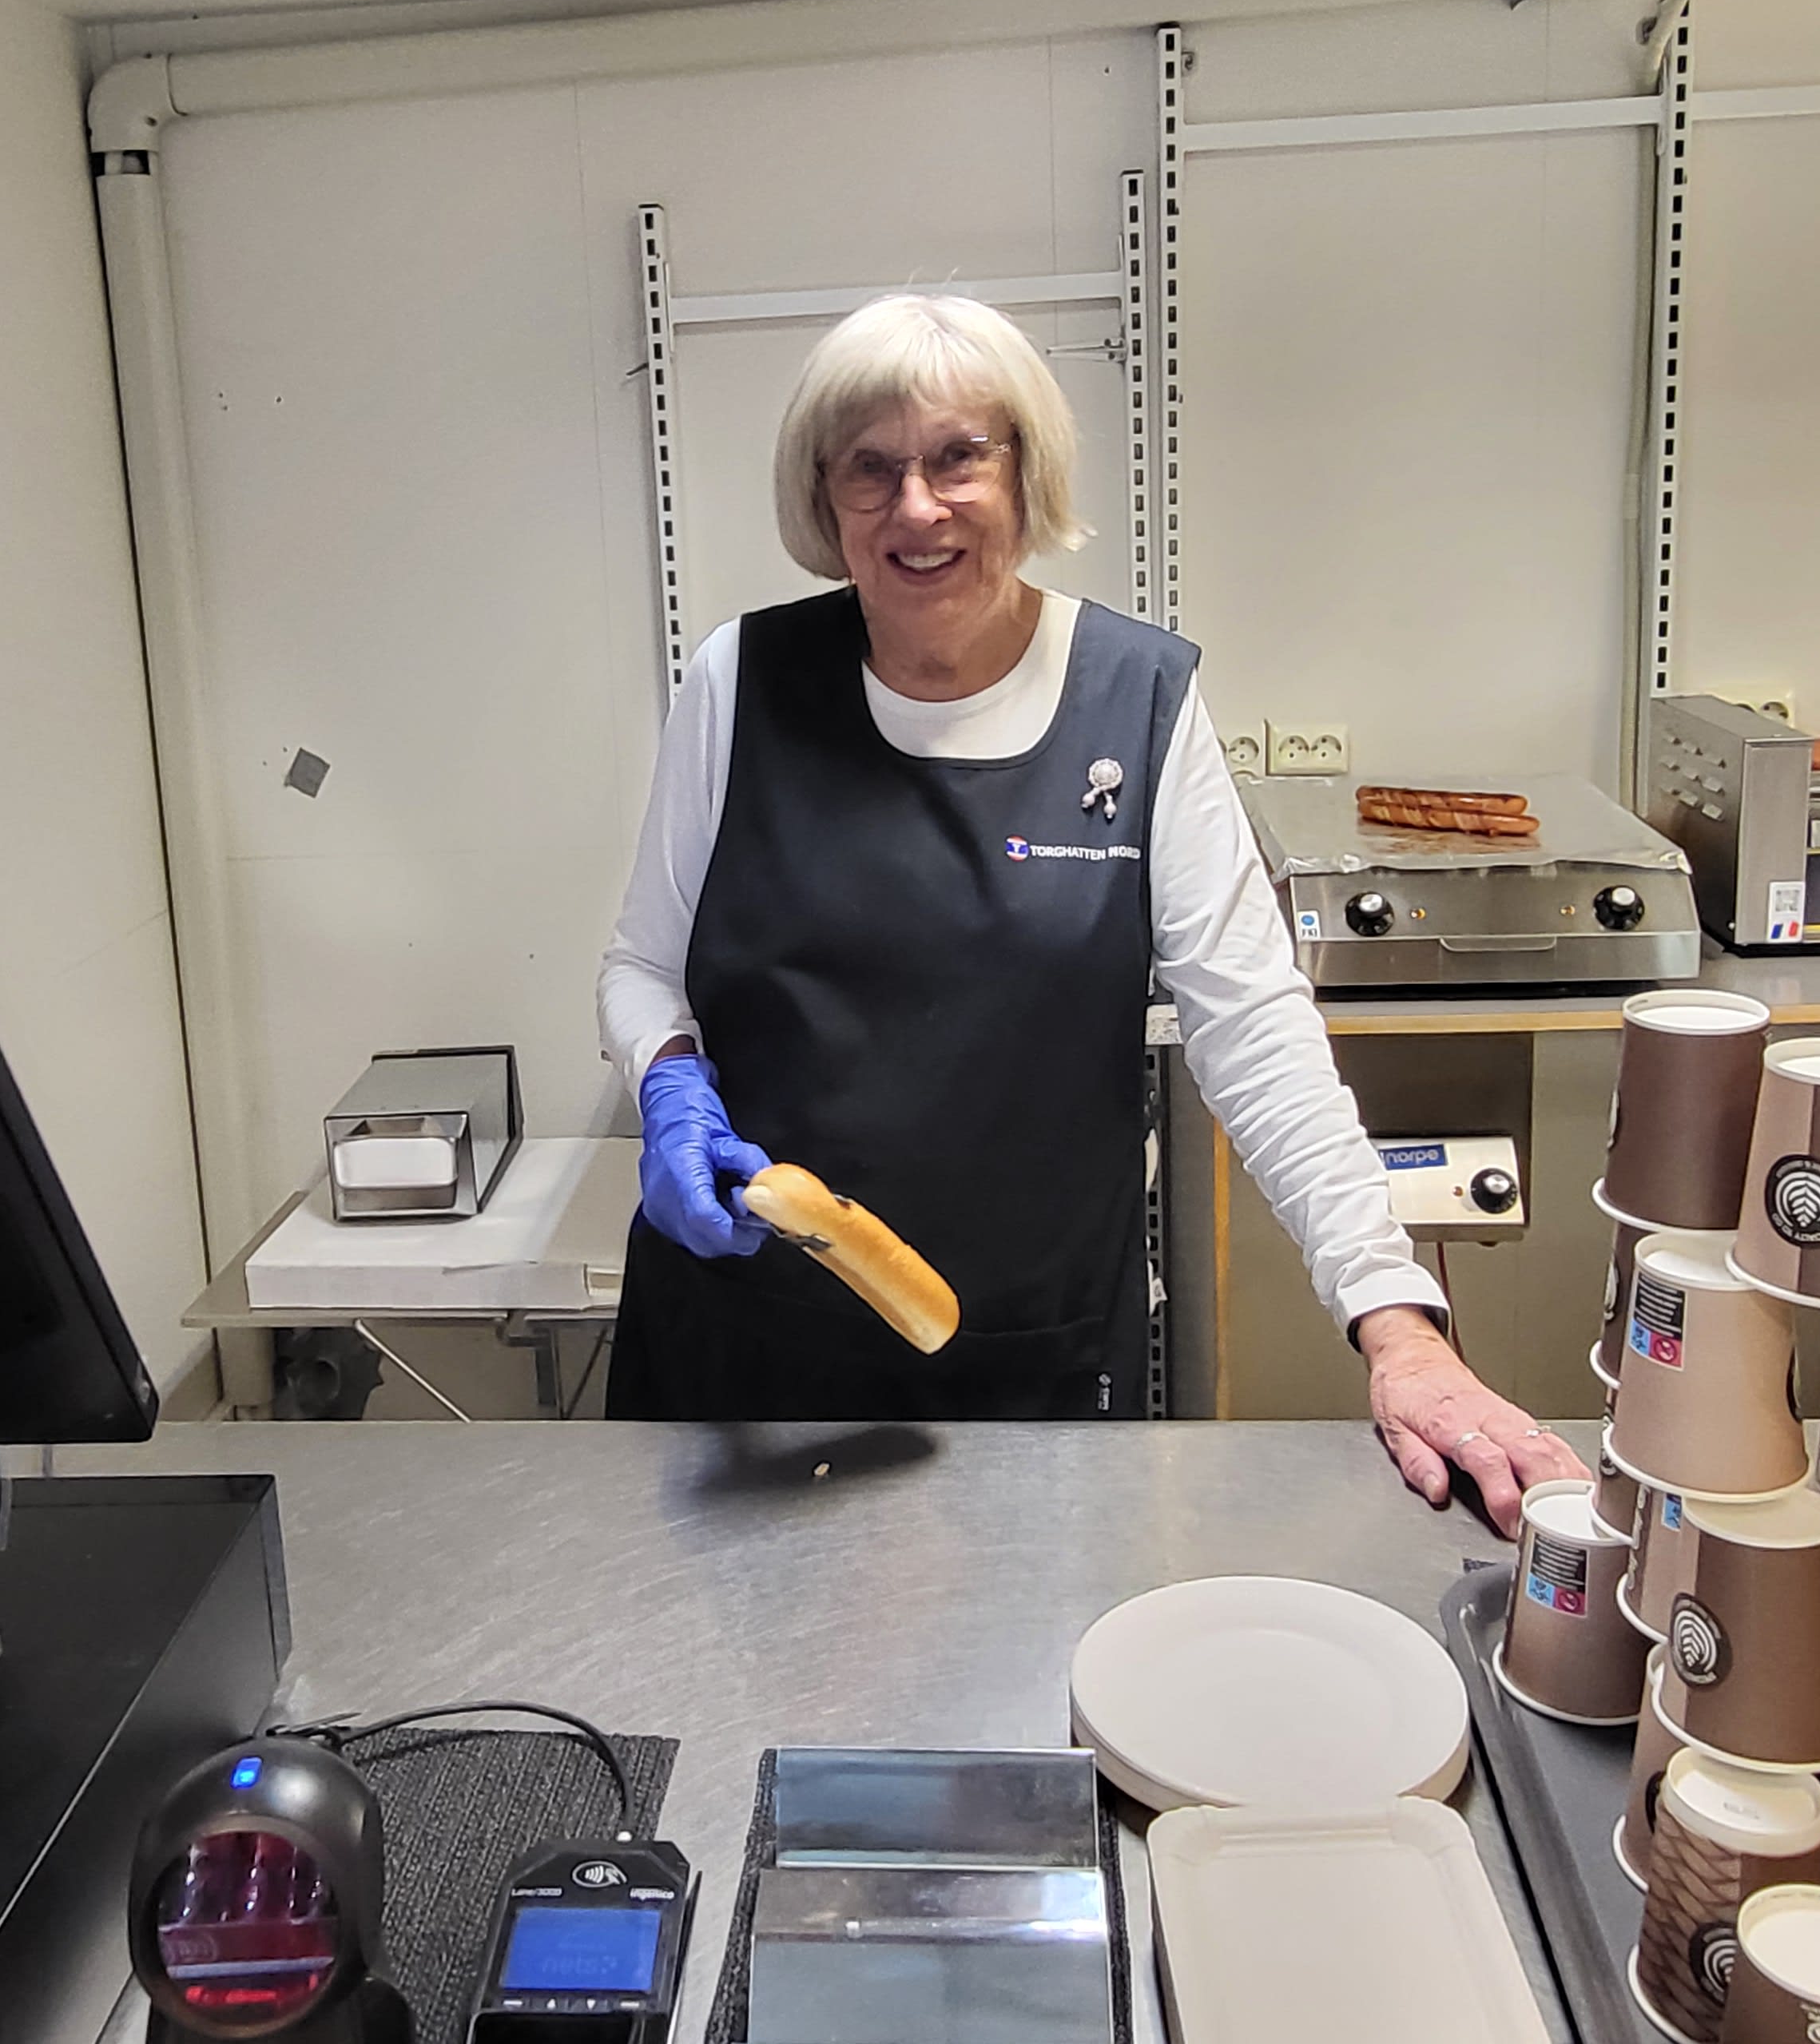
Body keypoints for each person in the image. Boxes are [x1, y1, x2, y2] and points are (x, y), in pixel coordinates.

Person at [596, 295, 1584, 1531]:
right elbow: (641, 966)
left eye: (959, 456)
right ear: (823, 496)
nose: (917, 507)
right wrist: (670, 1085)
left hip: (1028, 1364)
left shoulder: (1136, 701)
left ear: (1027, 474)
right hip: (743, 1356)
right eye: (871, 468)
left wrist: (1398, 1325)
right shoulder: (740, 682)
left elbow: (1256, 1031)